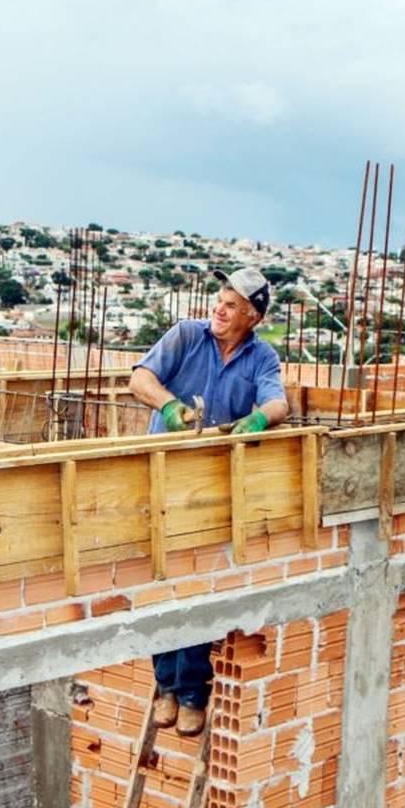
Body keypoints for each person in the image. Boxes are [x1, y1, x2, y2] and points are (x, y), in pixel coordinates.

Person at [128, 266, 289, 735]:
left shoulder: (262, 358)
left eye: (234, 304)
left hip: (214, 485)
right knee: (163, 580)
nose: (221, 308)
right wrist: (169, 406)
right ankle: (166, 685)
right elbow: (140, 380)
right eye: (221, 299)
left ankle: (192, 691)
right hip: (165, 477)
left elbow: (278, 403)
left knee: (201, 585)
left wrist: (259, 420)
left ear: (253, 317)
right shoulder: (185, 336)